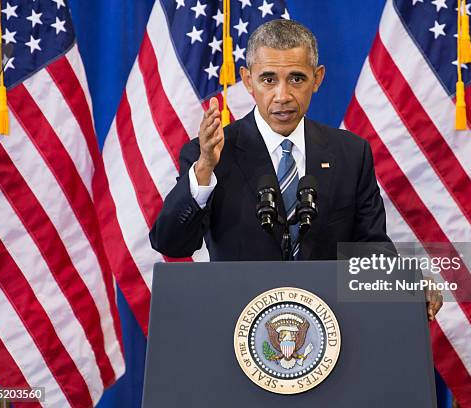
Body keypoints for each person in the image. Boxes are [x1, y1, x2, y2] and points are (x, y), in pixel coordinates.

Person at [149, 19, 442, 319]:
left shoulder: (350, 154)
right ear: (248, 80)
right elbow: (172, 243)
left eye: (297, 79)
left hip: (331, 331)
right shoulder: (209, 155)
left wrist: (404, 284)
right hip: (236, 330)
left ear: (317, 79)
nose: (283, 95)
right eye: (268, 79)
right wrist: (203, 171)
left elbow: (369, 250)